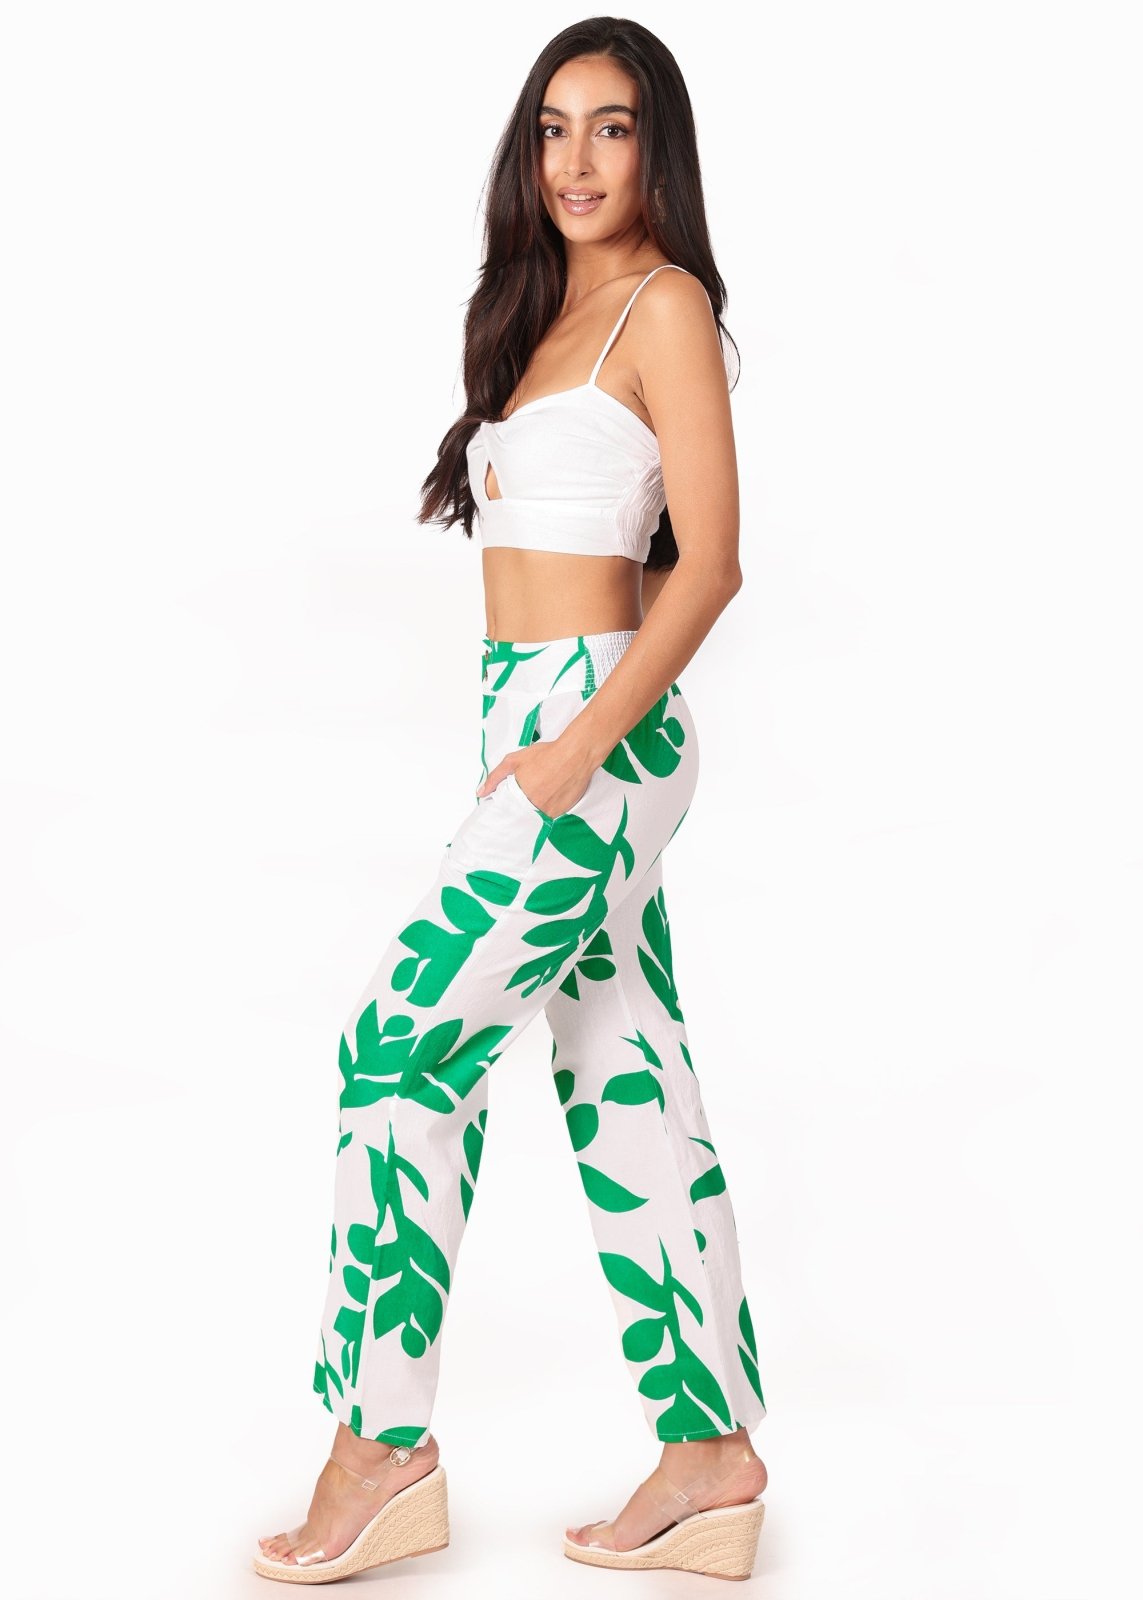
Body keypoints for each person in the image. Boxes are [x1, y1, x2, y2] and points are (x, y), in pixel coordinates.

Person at [254, 15, 769, 1585]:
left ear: (658, 145)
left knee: (396, 1045)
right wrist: (538, 726)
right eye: (554, 128)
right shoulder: (541, 313)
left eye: (611, 127)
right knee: (624, 1073)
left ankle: (378, 1446)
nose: (576, 159)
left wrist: (580, 741)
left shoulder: (665, 306)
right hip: (537, 715)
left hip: (593, 733)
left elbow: (711, 564)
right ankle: (710, 1454)